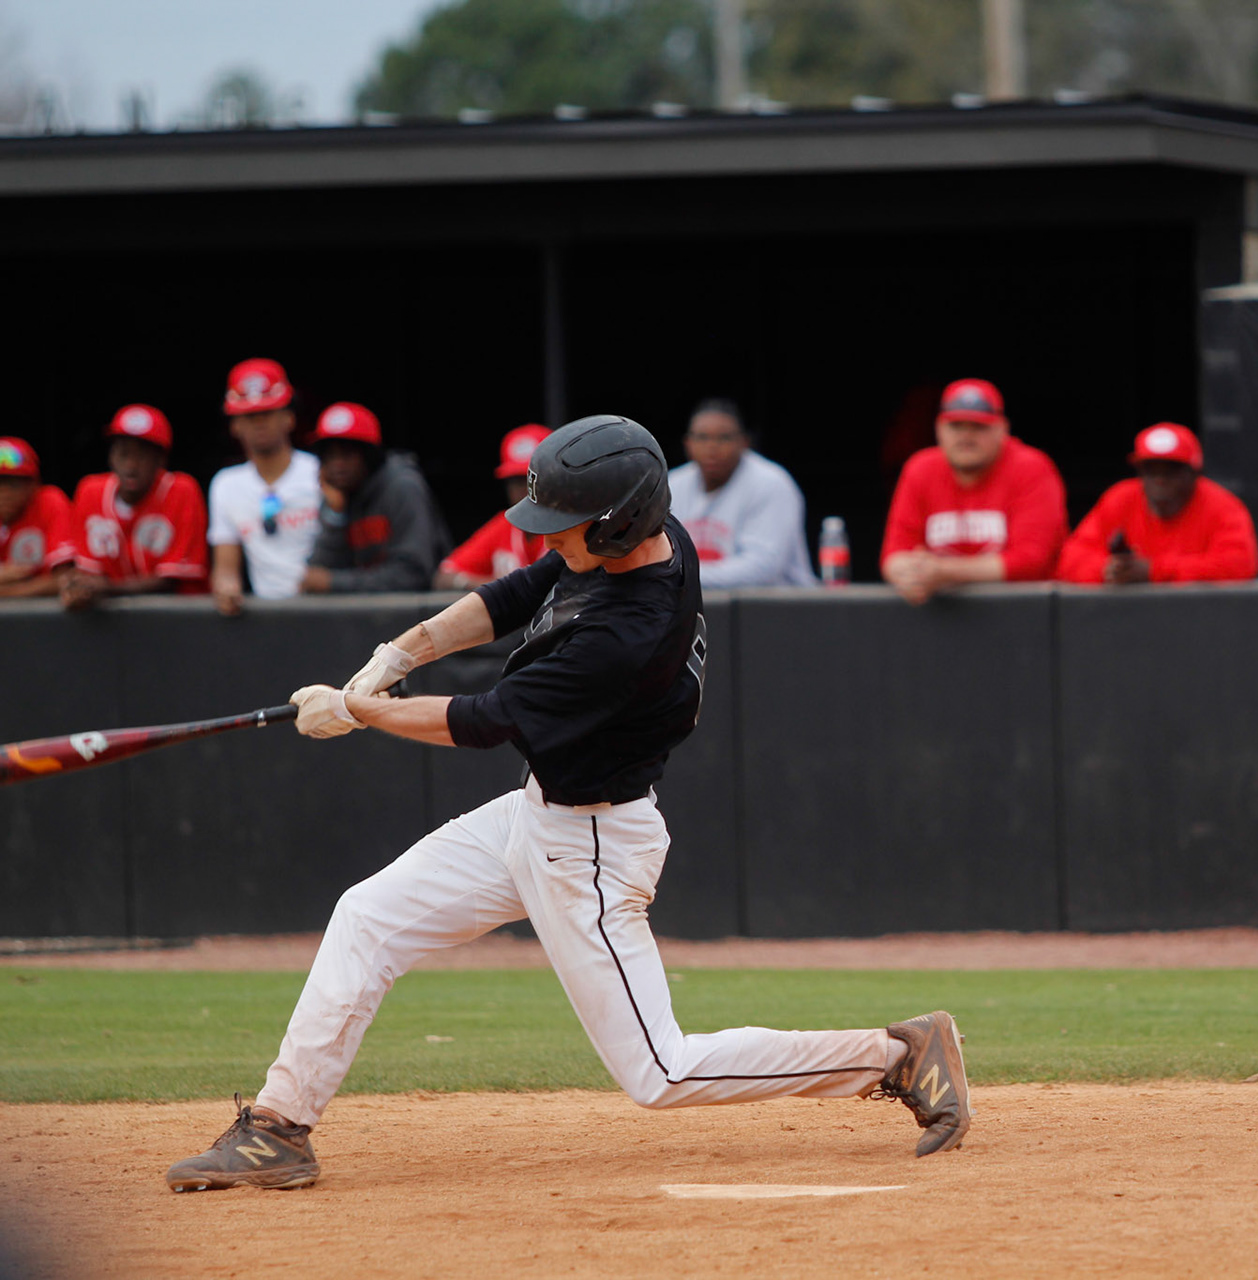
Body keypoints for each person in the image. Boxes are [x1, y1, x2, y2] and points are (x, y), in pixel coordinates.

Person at [162, 415, 971, 1193]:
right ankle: (279, 1127)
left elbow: (483, 721)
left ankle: (897, 1055)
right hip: (537, 816)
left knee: (661, 1072)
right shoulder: (649, 536)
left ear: (618, 525)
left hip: (591, 844)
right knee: (366, 916)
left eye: (563, 524)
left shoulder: (625, 635)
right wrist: (399, 653)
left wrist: (359, 711)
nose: (546, 538)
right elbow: (514, 594)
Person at [881, 378, 1067, 604]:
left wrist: (943, 572)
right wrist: (908, 574)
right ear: (938, 428)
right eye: (956, 426)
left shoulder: (1031, 467)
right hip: (940, 612)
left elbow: (1032, 561)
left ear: (1002, 429)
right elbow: (894, 554)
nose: (966, 437)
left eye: (978, 427)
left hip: (1021, 610)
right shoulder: (920, 468)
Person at [1055, 423, 1258, 585]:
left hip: (1198, 617)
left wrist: (1154, 571)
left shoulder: (1222, 506)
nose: (1160, 479)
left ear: (1194, 473)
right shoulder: (1121, 498)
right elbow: (1070, 561)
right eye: (1150, 469)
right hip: (1129, 617)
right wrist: (1109, 570)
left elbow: (1239, 565)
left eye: (1171, 470)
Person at [62, 404, 209, 610]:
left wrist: (107, 588)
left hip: (177, 617)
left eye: (142, 456)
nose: (131, 466)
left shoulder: (182, 490)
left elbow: (171, 582)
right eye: (123, 453)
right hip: (113, 622)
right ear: (111, 456)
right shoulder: (90, 492)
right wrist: (78, 587)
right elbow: (88, 574)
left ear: (161, 459)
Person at [207, 358, 322, 615]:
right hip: (264, 616)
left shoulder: (320, 472)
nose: (259, 422)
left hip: (324, 608)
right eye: (249, 416)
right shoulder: (225, 484)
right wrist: (226, 587)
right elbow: (225, 569)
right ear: (234, 425)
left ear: (289, 417)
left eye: (267, 412)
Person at [300, 402, 450, 595]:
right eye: (330, 455)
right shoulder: (339, 496)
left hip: (424, 608)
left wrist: (335, 583)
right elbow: (317, 577)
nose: (337, 464)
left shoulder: (402, 486)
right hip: (369, 609)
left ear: (369, 455)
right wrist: (335, 515)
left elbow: (414, 574)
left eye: (347, 454)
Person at [666, 399, 816, 588]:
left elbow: (762, 570)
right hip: (701, 601)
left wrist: (677, 574)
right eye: (702, 438)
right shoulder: (673, 484)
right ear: (688, 443)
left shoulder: (771, 483)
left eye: (724, 438)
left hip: (780, 602)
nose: (712, 447)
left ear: (744, 442)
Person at [436, 424, 552, 590]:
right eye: (516, 481)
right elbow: (444, 575)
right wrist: (499, 588)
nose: (525, 489)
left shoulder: (571, 526)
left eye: (531, 478)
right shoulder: (505, 525)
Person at [0, 437, 76, 600]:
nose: (5, 493)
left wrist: (5, 591)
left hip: (45, 613)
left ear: (34, 484)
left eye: (13, 484)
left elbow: (65, 578)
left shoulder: (50, 502)